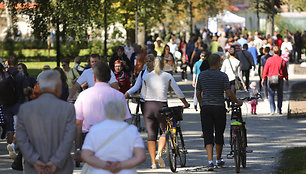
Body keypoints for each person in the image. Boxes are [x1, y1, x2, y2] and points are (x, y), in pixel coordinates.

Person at [16, 70, 76, 174]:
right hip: (61, 168)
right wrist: (55, 162)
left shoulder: (25, 109)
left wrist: (34, 160)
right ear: (57, 86)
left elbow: (21, 139)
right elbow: (68, 139)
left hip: (34, 168)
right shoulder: (68, 109)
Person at [74, 61, 132, 163]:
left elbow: (78, 124)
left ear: (94, 77)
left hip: (90, 139)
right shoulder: (119, 96)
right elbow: (123, 123)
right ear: (110, 77)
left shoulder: (83, 96)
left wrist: (78, 148)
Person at [196, 54, 242, 171]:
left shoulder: (202, 75)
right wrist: (238, 101)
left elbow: (198, 93)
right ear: (217, 63)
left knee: (207, 133)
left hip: (206, 107)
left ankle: (210, 160)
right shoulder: (223, 76)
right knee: (219, 133)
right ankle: (218, 159)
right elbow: (229, 93)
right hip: (219, 107)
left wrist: (202, 104)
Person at [142, 56, 189, 169]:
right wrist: (185, 103)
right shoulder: (167, 76)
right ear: (163, 65)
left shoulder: (146, 76)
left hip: (148, 106)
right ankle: (159, 154)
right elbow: (177, 91)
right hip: (161, 105)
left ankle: (153, 163)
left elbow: (143, 94)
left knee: (151, 135)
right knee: (164, 131)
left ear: (153, 64)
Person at [81, 99, 146, 174]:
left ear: (105, 111)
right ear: (123, 111)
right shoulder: (132, 130)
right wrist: (121, 165)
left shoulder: (94, 130)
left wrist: (105, 165)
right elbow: (141, 156)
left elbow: (86, 155)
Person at [262, 46, 289, 115]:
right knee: (280, 95)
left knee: (271, 95)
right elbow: (285, 71)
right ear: (279, 52)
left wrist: (263, 79)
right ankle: (279, 110)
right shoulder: (282, 60)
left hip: (270, 79)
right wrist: (287, 80)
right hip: (279, 79)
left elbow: (265, 70)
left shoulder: (269, 60)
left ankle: (272, 109)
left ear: (273, 52)